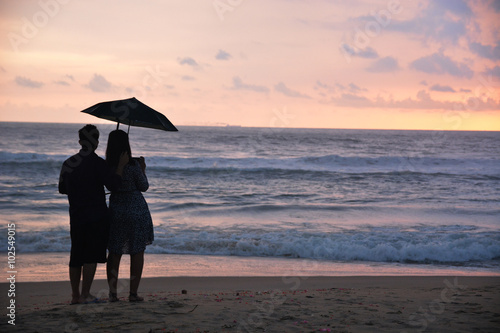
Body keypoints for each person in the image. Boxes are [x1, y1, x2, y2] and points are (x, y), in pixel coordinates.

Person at [59, 124, 129, 304]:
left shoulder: (68, 163)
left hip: (76, 216)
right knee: (90, 256)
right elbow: (113, 185)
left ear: (80, 141)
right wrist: (120, 167)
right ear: (97, 142)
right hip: (97, 217)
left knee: (76, 256)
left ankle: (75, 296)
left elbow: (62, 189)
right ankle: (85, 294)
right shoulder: (99, 164)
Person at [105, 130, 154, 302]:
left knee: (114, 252)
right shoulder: (133, 165)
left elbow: (111, 186)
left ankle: (113, 294)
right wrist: (143, 169)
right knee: (137, 251)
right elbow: (144, 186)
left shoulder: (107, 165)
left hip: (117, 210)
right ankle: (133, 294)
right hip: (137, 210)